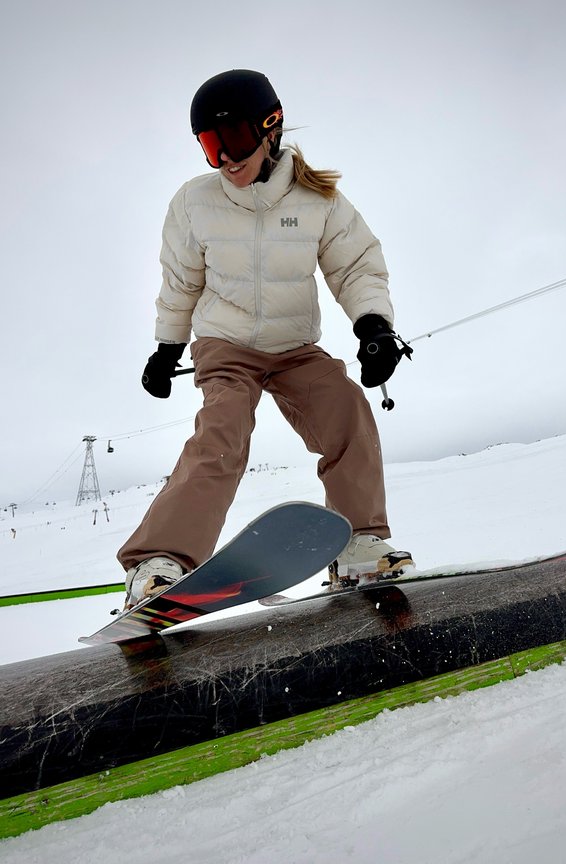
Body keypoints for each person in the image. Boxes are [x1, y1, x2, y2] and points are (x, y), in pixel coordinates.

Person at [117, 69, 414, 608]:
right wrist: (166, 349)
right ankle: (161, 562)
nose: (226, 159)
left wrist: (374, 326)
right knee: (223, 431)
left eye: (232, 140)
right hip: (225, 344)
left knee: (345, 407)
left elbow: (356, 267)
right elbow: (180, 282)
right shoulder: (193, 202)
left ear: (270, 128)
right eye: (210, 146)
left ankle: (361, 542)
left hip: (295, 345)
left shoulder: (319, 200)